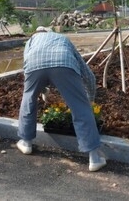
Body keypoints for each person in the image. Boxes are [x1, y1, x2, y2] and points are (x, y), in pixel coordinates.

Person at [17, 26, 106, 172]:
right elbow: (88, 74)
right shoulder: (62, 39)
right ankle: (94, 158)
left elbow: (29, 66)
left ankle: (26, 142)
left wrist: (39, 90)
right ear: (50, 32)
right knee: (80, 107)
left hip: (34, 65)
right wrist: (89, 99)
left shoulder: (31, 40)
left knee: (28, 99)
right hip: (64, 62)